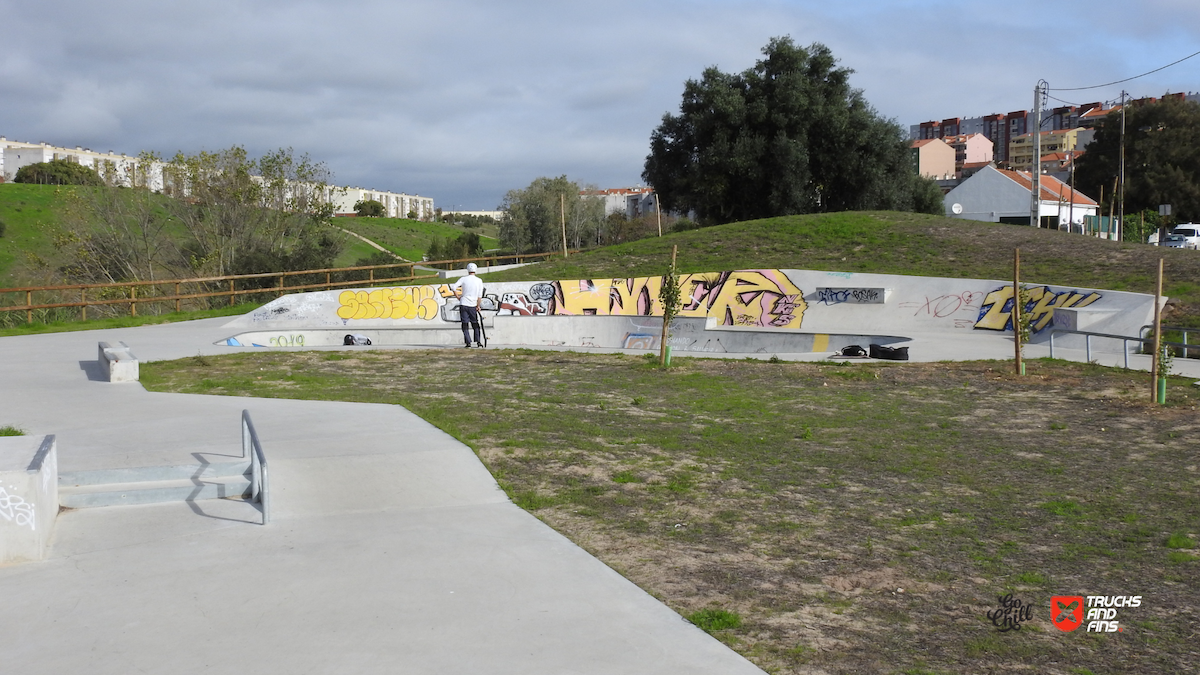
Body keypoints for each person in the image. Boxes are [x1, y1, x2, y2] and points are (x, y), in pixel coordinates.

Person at [450, 262, 484, 348]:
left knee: (465, 324)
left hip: (464, 303)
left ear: (467, 270)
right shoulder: (479, 280)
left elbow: (453, 287)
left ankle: (468, 342)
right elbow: (479, 296)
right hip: (473, 305)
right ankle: (478, 341)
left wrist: (458, 297)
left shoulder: (463, 279)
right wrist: (478, 305)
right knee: (475, 323)